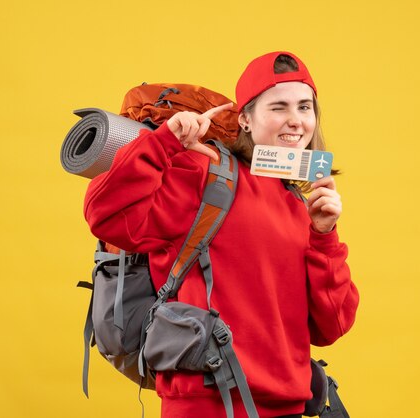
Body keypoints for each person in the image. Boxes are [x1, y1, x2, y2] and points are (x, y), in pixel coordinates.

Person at [84, 51, 359, 418]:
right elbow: (107, 214)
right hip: (206, 407)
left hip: (288, 408)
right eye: (278, 107)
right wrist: (165, 143)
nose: (295, 121)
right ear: (245, 119)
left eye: (305, 107)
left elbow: (332, 325)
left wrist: (324, 237)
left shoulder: (300, 206)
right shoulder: (206, 174)